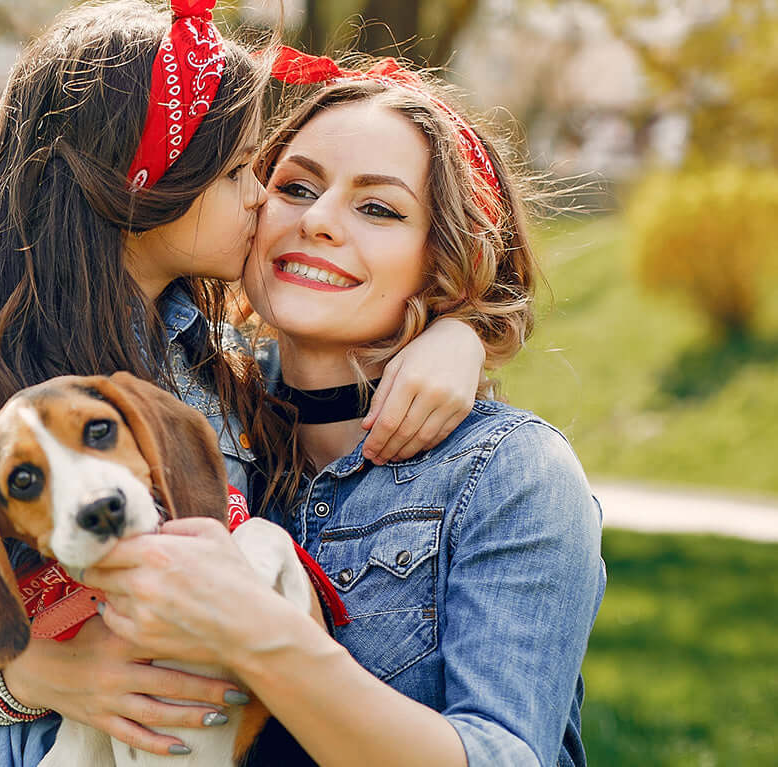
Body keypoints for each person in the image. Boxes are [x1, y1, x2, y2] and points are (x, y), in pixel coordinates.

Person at [0, 2, 492, 764]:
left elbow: (334, 376)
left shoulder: (210, 356)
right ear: (144, 185)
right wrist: (42, 673)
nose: (262, 197)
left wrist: (457, 336)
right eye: (240, 171)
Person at [76, 50, 606, 767]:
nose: (319, 220)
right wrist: (39, 673)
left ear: (444, 256)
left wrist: (261, 633)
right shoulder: (175, 412)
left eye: (378, 207)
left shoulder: (511, 473)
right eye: (294, 187)